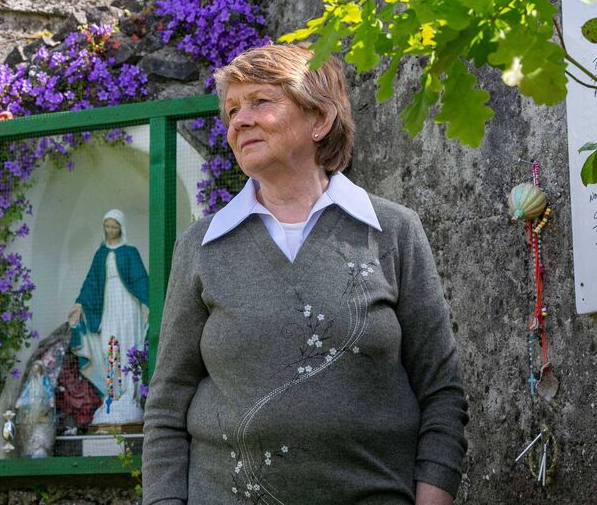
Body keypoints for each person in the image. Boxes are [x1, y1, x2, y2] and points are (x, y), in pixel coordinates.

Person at [142, 44, 468, 504]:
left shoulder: (393, 231)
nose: (239, 120)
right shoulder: (202, 246)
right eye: (232, 109)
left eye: (260, 101)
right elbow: (167, 404)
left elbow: (441, 391)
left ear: (320, 119)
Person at [68, 209, 149, 426]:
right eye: (107, 226)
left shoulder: (130, 252)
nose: (110, 230)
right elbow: (91, 281)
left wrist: (146, 304)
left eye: (114, 226)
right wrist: (79, 304)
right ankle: (112, 394)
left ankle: (130, 396)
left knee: (128, 345)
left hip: (127, 305)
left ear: (121, 227)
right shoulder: (100, 254)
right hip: (108, 305)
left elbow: (141, 279)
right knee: (109, 346)